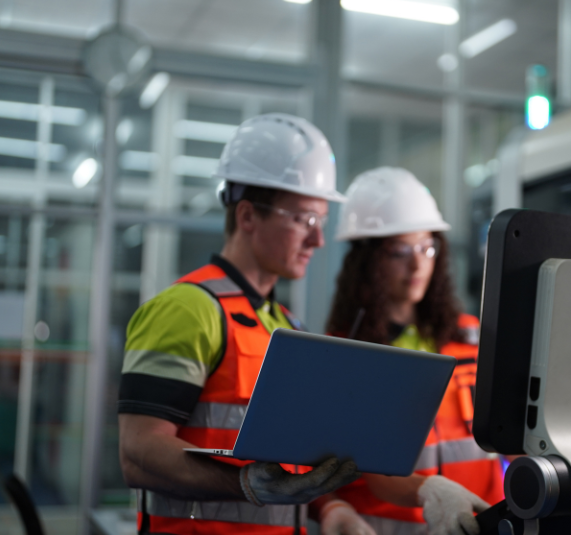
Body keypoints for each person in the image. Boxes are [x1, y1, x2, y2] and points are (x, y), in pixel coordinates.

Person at [117, 114, 370, 535]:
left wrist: (330, 508)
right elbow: (138, 451)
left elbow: (290, 467)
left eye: (321, 223)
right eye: (305, 220)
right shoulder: (187, 309)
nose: (318, 240)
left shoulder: (286, 325)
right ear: (248, 216)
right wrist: (243, 483)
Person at [325, 167, 505, 535]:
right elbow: (374, 474)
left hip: (483, 524)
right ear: (367, 261)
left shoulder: (471, 335)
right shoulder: (344, 351)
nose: (417, 264)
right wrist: (432, 490)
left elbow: (510, 435)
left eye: (427, 247)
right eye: (400, 251)